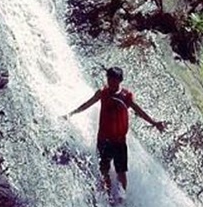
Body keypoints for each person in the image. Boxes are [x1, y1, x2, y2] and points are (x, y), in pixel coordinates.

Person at [65, 66, 167, 199]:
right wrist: (71, 113)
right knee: (104, 170)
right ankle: (108, 197)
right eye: (109, 79)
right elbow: (87, 104)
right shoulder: (102, 92)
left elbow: (139, 111)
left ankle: (121, 198)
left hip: (119, 141)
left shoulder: (126, 96)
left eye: (114, 80)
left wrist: (154, 123)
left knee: (121, 172)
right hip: (103, 139)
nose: (111, 83)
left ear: (120, 80)